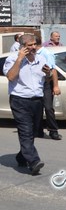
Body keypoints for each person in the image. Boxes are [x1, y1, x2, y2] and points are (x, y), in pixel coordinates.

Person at [3, 34, 48, 175]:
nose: (33, 47)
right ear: (22, 47)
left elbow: (47, 76)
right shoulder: (12, 59)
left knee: (34, 132)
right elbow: (10, 77)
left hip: (37, 100)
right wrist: (20, 59)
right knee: (26, 131)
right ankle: (33, 161)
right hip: (20, 100)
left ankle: (21, 156)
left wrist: (48, 73)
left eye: (35, 44)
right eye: (30, 45)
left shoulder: (40, 59)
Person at [35, 36, 62, 140]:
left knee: (48, 108)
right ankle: (38, 130)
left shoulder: (46, 53)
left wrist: (55, 86)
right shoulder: (33, 54)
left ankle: (53, 131)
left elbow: (53, 70)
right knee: (37, 108)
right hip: (37, 84)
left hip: (46, 84)